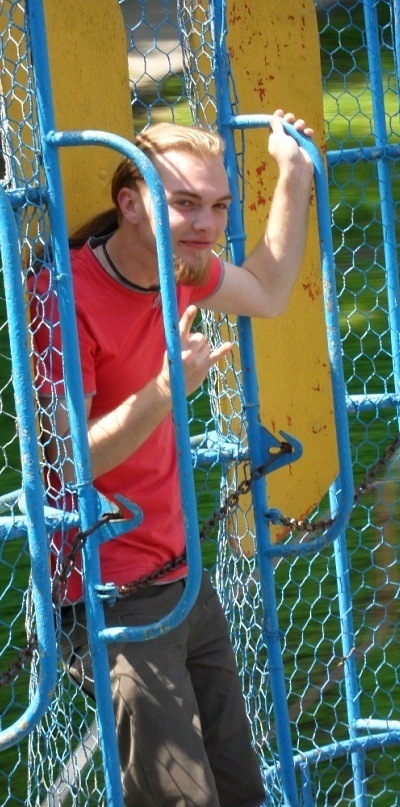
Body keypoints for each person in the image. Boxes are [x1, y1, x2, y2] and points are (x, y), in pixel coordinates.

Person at [31, 110, 314, 806]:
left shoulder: (181, 268)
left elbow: (269, 291)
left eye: (219, 206)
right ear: (131, 204)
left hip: (184, 574)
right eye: (185, 202)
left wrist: (295, 173)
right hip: (109, 592)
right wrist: (165, 388)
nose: (206, 223)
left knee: (241, 789)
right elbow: (68, 462)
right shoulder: (61, 294)